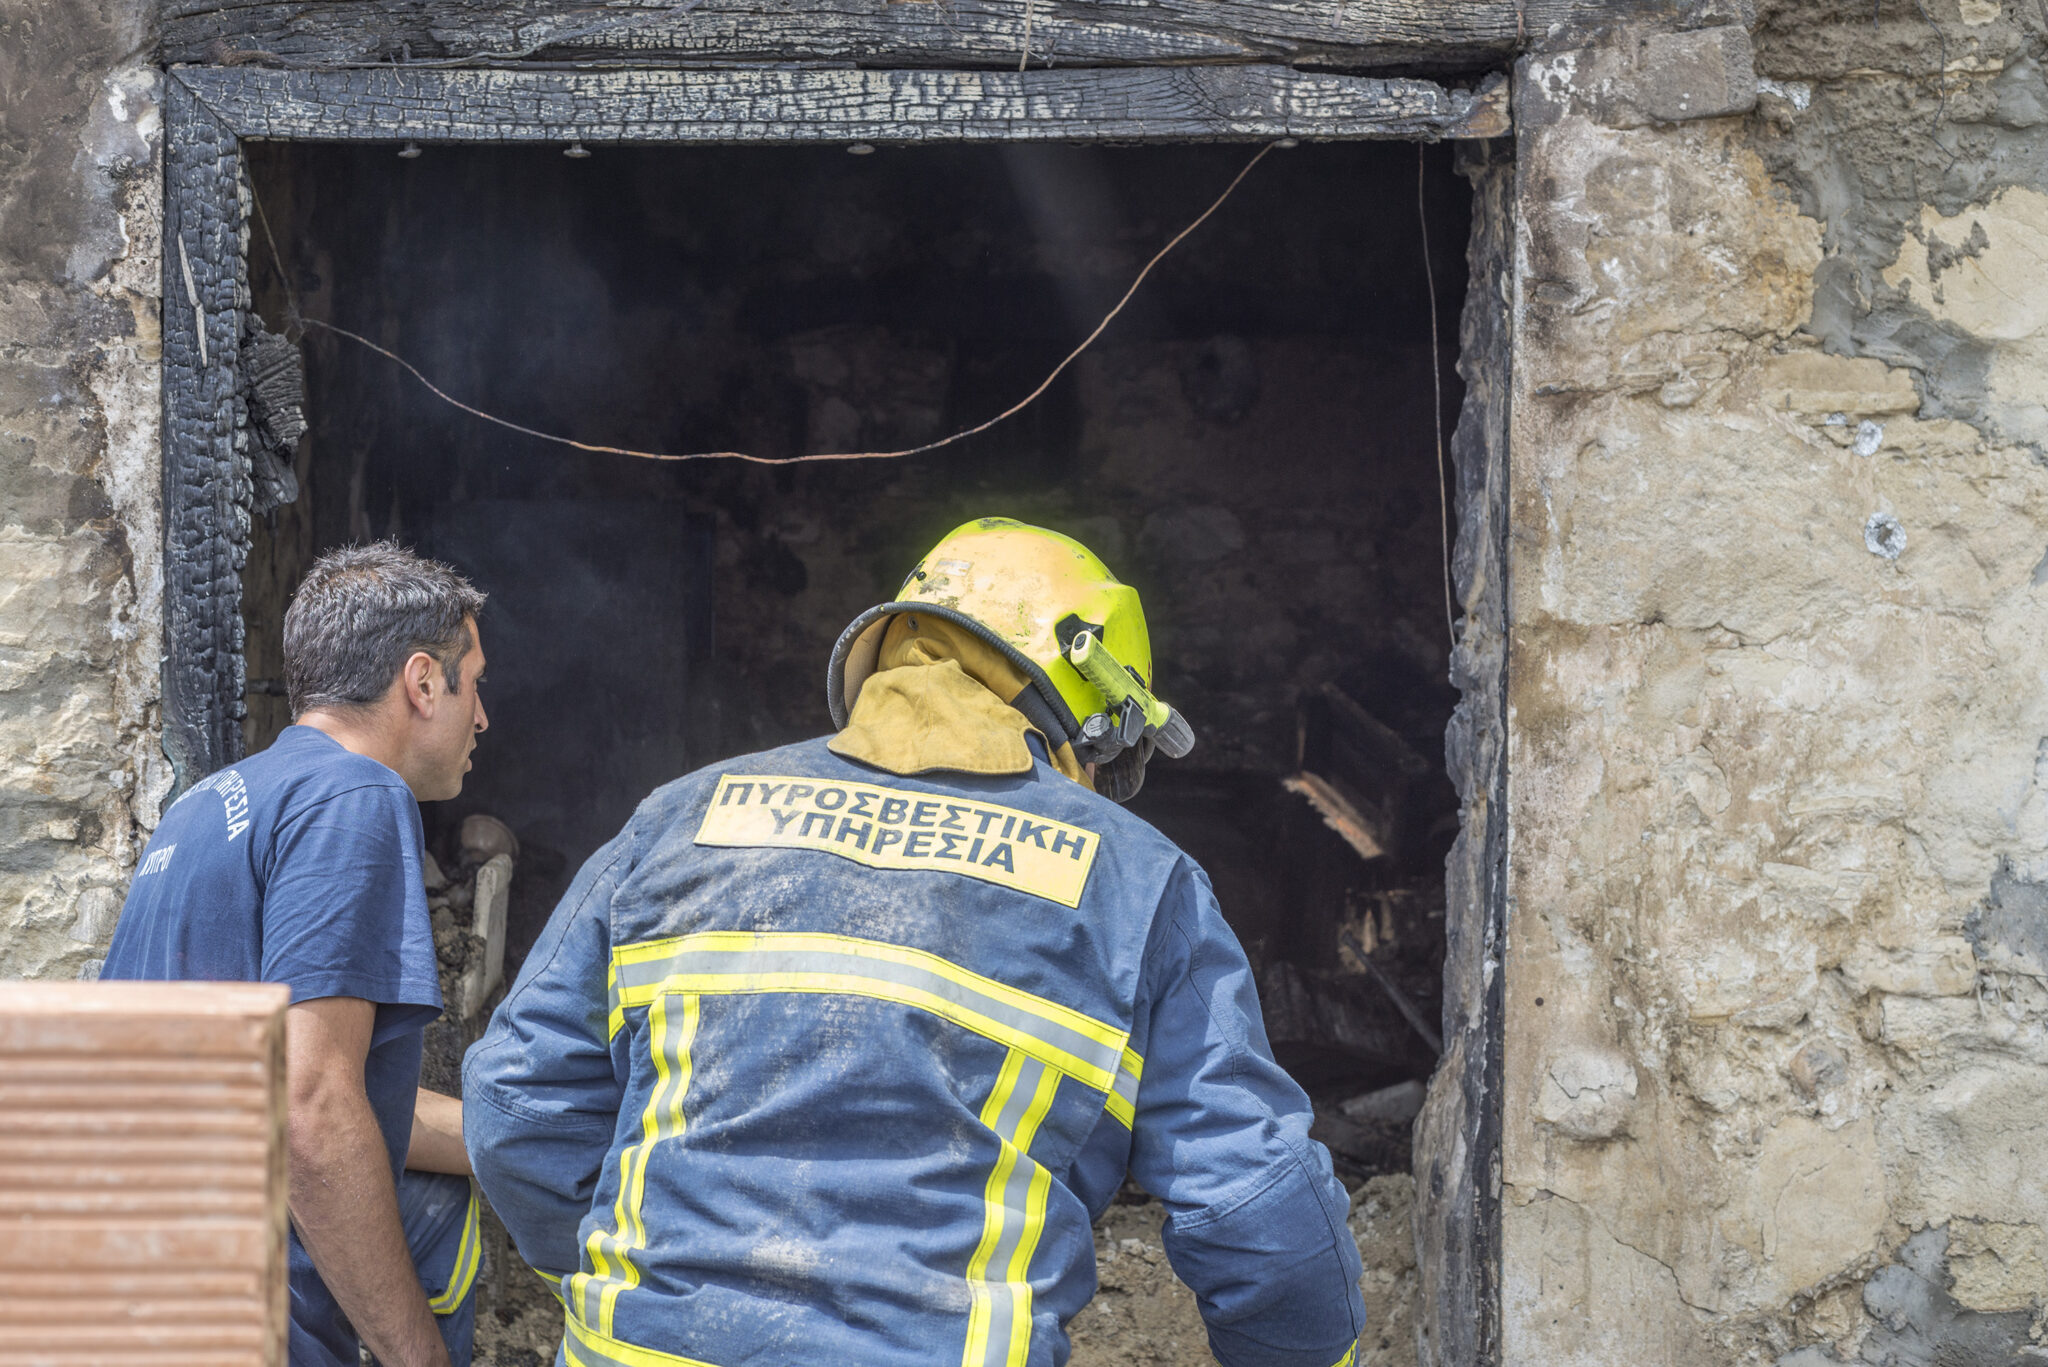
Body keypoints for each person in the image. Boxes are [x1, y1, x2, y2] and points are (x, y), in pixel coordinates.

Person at [465, 517, 1366, 1367]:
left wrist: (628, 1279)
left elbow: (516, 1105)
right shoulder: (1135, 879)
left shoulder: (681, 819)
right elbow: (1261, 1212)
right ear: (1089, 716)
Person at [102, 541, 492, 1367]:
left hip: (126, 1295)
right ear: (423, 683)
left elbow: (297, 1080)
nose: (482, 716)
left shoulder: (207, 803)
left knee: (435, 1188)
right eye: (475, 682)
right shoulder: (358, 794)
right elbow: (312, 1102)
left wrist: (520, 1141)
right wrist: (418, 1355)